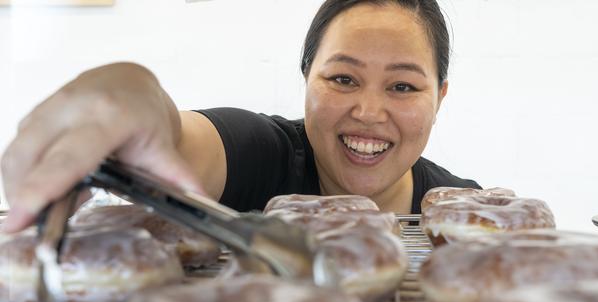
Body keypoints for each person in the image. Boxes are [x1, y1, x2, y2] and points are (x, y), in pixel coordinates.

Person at [1, 0, 480, 233]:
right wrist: (138, 96)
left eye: (402, 86)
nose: (368, 112)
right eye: (343, 79)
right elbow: (185, 143)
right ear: (306, 78)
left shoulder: (465, 213)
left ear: (439, 96)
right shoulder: (263, 155)